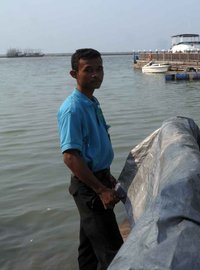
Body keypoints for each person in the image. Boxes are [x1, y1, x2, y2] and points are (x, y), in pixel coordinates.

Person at [57, 48, 123, 270]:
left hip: (98, 180)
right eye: (88, 70)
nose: (96, 74)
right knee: (113, 253)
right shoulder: (73, 109)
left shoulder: (91, 102)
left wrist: (106, 176)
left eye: (100, 69)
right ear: (74, 74)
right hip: (90, 189)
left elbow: (92, 148)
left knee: (89, 252)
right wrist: (101, 190)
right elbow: (70, 156)